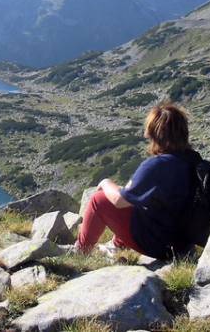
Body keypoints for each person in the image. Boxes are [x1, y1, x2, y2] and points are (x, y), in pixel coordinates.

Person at [76, 100, 197, 259]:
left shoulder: (157, 165)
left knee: (100, 199)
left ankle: (80, 251)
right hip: (183, 242)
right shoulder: (193, 160)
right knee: (134, 197)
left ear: (153, 133)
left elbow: (119, 201)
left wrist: (105, 182)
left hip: (161, 245)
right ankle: (116, 245)